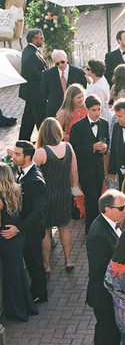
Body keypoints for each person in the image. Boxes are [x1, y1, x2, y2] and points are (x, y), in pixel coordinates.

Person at [86, 190, 125, 345]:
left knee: (113, 331)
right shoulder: (98, 234)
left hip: (112, 292)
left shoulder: (110, 225)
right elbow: (102, 269)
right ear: (108, 209)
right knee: (105, 333)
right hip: (104, 294)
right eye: (121, 208)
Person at [34, 117, 79, 274]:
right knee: (64, 227)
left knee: (46, 230)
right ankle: (68, 260)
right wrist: (74, 190)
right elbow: (74, 171)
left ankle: (46, 265)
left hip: (46, 196)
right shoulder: (68, 147)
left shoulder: (41, 152)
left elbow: (31, 173)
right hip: (65, 193)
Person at [4, 141, 47, 304]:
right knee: (32, 261)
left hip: (32, 230)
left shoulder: (35, 180)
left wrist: (19, 228)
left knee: (35, 262)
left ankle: (40, 293)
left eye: (17, 154)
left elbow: (38, 210)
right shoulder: (25, 171)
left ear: (27, 157)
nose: (13, 157)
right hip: (29, 228)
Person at [0, 163, 38, 321]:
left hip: (6, 237)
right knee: (19, 273)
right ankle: (27, 306)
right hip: (17, 236)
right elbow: (20, 210)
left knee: (11, 276)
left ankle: (18, 311)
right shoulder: (16, 189)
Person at [70, 94, 110, 233]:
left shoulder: (104, 123)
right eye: (94, 110)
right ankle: (91, 229)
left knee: (98, 197)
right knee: (91, 199)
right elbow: (74, 149)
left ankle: (96, 228)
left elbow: (107, 141)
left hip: (98, 169)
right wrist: (92, 147)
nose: (97, 113)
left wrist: (105, 147)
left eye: (99, 109)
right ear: (87, 109)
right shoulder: (78, 126)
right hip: (85, 169)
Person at [18, 29, 47, 140]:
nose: (42, 39)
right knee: (41, 118)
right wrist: (47, 73)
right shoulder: (31, 54)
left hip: (32, 93)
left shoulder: (30, 50)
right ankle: (45, 141)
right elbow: (34, 74)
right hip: (35, 93)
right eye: (40, 38)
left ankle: (23, 140)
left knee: (29, 119)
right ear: (33, 39)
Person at [41, 50, 87, 118]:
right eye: (57, 63)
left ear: (67, 59)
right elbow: (44, 92)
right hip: (55, 111)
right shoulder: (47, 74)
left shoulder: (78, 73)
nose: (61, 65)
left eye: (62, 62)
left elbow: (83, 90)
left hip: (74, 110)